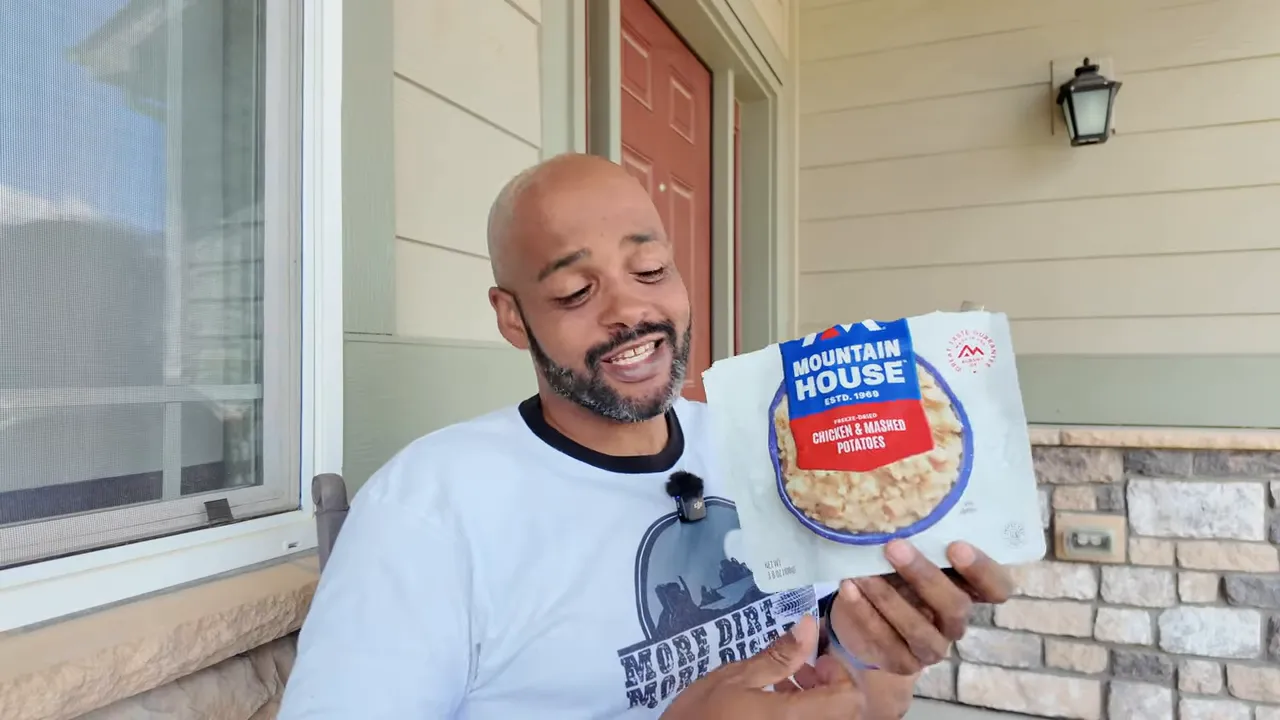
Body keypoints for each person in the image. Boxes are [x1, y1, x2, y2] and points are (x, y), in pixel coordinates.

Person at [278, 153, 1013, 719]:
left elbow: (863, 689)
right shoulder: (429, 507)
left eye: (651, 268)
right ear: (512, 317)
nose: (630, 309)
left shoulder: (756, 451)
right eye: (574, 291)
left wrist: (886, 650)